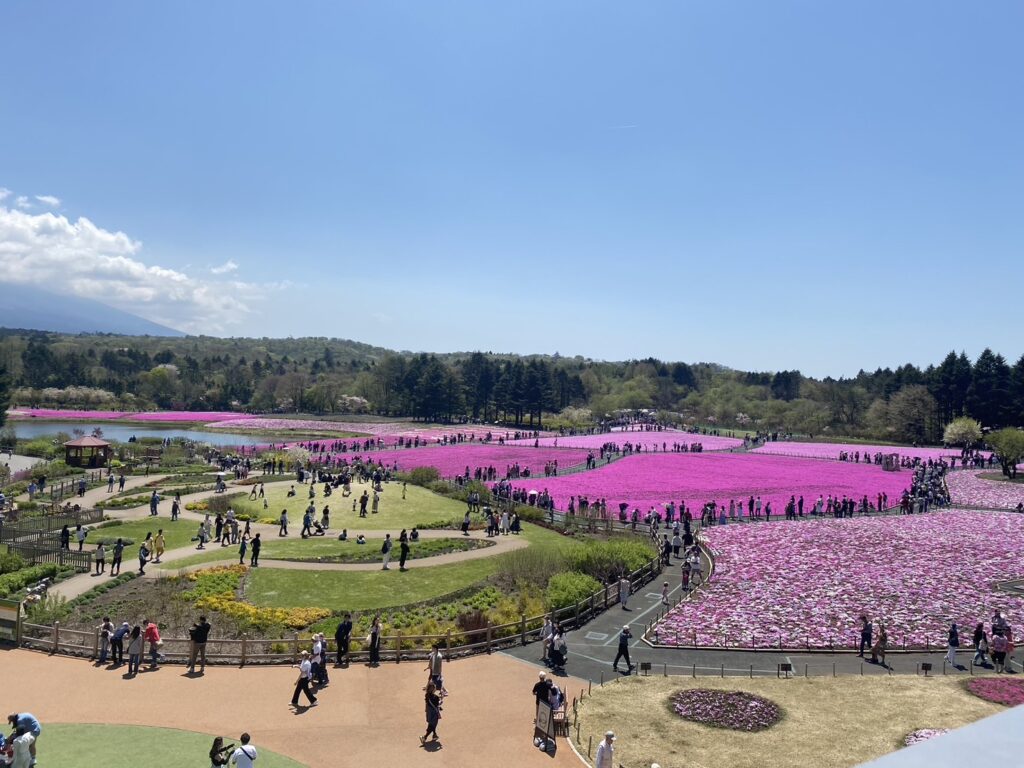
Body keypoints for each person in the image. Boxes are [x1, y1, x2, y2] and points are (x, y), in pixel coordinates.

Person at [421, 679, 442, 745]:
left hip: (429, 712)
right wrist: (441, 700)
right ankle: (424, 737)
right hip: (434, 712)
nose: (435, 689)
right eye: (434, 688)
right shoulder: (435, 697)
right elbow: (437, 704)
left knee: (431, 724)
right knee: (432, 725)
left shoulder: (427, 695)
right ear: (432, 689)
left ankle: (434, 735)